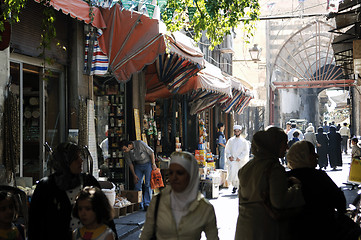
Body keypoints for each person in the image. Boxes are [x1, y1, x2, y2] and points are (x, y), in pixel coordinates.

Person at [28, 142, 117, 240]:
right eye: (75, 158)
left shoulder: (88, 181)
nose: (81, 161)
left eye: (80, 157)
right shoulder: (45, 187)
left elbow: (104, 214)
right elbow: (35, 224)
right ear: (64, 162)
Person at [235, 127, 304, 240]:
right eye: (284, 143)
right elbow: (279, 201)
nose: (287, 148)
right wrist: (297, 187)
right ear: (274, 145)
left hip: (244, 229)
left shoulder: (246, 168)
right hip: (264, 228)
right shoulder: (274, 168)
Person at [139, 151, 219, 240]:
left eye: (180, 173)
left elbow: (213, 237)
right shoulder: (157, 202)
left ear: (191, 175)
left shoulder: (205, 208)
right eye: (171, 173)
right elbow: (145, 235)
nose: (174, 177)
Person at [286, 140, 347, 240]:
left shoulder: (286, 177)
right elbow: (339, 201)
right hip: (323, 229)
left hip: (294, 231)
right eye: (313, 153)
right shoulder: (319, 176)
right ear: (304, 156)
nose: (317, 156)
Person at [120, 140, 157, 211]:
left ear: (129, 145)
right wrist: (134, 175)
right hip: (138, 165)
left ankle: (147, 204)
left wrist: (153, 164)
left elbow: (151, 152)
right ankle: (139, 203)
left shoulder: (140, 144)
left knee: (147, 184)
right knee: (137, 184)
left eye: (125, 149)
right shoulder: (127, 152)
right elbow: (130, 164)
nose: (124, 151)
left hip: (147, 164)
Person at [225, 125, 250, 194]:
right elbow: (227, 149)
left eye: (238, 131)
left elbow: (246, 151)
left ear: (240, 131)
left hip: (240, 161)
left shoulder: (244, 141)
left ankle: (239, 187)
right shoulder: (230, 141)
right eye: (235, 131)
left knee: (240, 175)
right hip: (233, 161)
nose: (236, 133)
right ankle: (234, 186)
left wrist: (240, 157)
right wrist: (229, 156)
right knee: (233, 174)